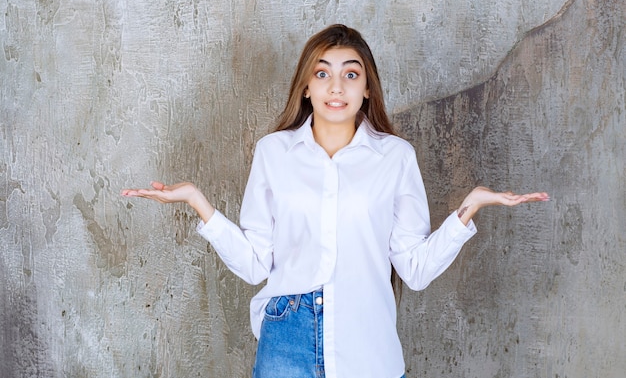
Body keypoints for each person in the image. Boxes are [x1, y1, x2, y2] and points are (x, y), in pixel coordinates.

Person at [122, 24, 549, 378]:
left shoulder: (396, 157)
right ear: (306, 87)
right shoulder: (273, 152)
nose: (336, 87)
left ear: (367, 89)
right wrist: (199, 202)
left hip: (368, 343)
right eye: (322, 73)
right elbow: (255, 263)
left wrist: (467, 210)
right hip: (285, 339)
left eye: (351, 74)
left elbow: (414, 270)